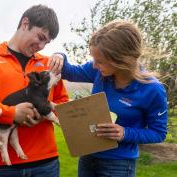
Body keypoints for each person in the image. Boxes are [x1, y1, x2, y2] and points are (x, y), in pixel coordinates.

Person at [0, 4, 68, 177]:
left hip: (46, 163)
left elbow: (64, 104)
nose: (41, 46)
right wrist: (11, 114)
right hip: (0, 165)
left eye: (46, 42)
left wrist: (42, 115)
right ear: (25, 23)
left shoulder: (49, 65)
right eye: (40, 37)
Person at [48, 20, 168, 177]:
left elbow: (158, 133)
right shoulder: (99, 72)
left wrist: (124, 133)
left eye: (100, 61)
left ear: (122, 60)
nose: (94, 65)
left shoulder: (152, 90)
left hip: (119, 164)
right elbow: (68, 71)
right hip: (88, 156)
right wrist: (60, 56)